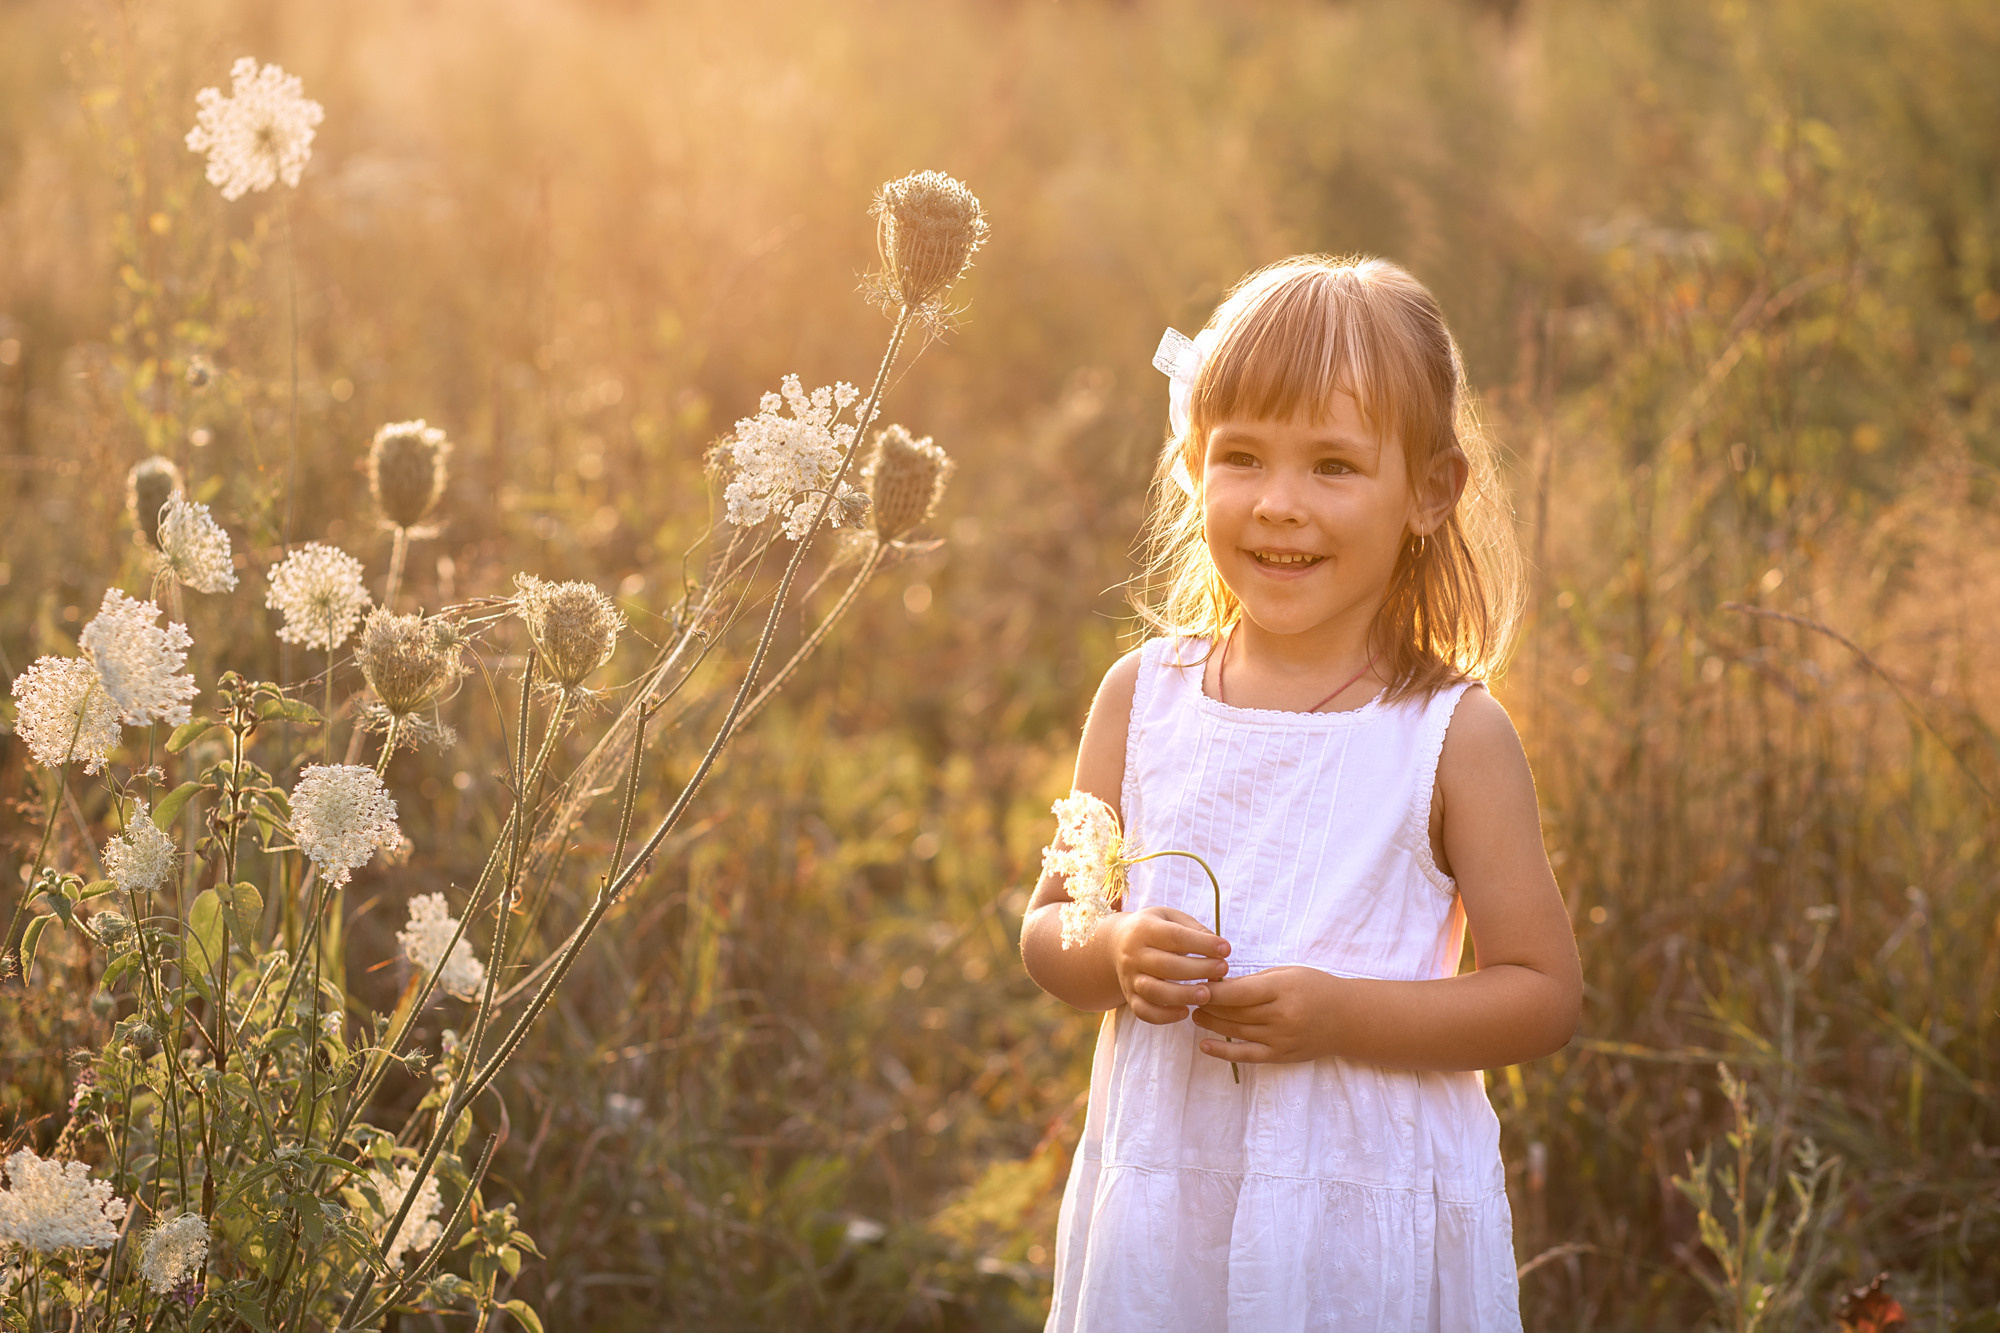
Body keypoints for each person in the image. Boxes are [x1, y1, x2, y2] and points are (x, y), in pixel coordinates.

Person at [1021, 255, 1582, 1331]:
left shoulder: (1446, 736)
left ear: (1428, 492)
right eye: (1241, 457)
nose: (1279, 505)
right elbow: (1050, 927)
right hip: (1169, 1203)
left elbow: (1539, 992)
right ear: (1192, 466)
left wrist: (1338, 1015)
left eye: (1332, 465)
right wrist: (1112, 951)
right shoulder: (1140, 698)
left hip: (1355, 1226)